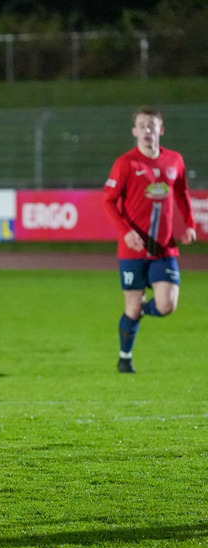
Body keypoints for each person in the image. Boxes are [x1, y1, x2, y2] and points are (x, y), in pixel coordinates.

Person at [103, 107, 196, 374]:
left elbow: (182, 194)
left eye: (152, 126)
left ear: (160, 130)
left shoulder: (174, 160)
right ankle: (124, 356)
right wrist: (126, 232)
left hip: (164, 247)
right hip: (132, 250)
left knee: (167, 305)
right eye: (142, 125)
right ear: (134, 131)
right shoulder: (126, 164)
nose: (147, 130)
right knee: (131, 305)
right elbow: (107, 201)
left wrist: (189, 225)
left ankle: (141, 312)